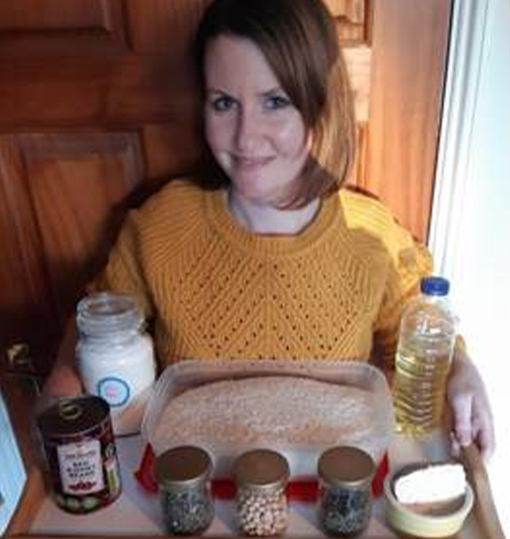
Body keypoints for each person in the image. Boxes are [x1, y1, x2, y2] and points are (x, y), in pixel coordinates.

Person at [44, 0, 494, 461]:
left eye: (274, 101)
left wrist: (462, 368)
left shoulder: (371, 236)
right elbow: (96, 328)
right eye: (224, 103)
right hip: (192, 494)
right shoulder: (160, 226)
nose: (244, 136)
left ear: (320, 106)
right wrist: (64, 382)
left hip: (332, 497)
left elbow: (418, 329)